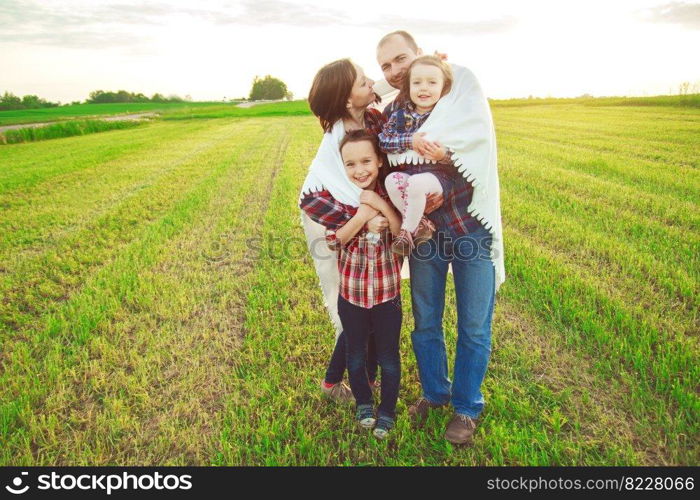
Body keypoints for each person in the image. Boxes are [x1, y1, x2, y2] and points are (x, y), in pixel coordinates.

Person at [376, 30, 505, 445]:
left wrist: (447, 152)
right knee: (426, 321)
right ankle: (434, 393)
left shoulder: (459, 87)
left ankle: (467, 408)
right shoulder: (397, 104)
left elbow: (477, 141)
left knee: (473, 325)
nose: (395, 71)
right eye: (386, 66)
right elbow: (386, 144)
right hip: (426, 234)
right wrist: (411, 141)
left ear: (421, 56)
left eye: (400, 60)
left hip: (470, 230)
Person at [299, 59, 386, 403]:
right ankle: (334, 383)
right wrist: (361, 218)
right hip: (333, 228)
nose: (371, 84)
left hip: (369, 221)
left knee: (376, 301)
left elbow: (388, 85)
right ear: (348, 100)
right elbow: (310, 198)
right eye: (363, 81)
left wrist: (423, 67)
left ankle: (367, 375)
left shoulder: (371, 119)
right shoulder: (336, 137)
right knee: (351, 307)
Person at [326, 129, 403, 439]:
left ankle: (387, 411)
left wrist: (381, 206)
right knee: (355, 355)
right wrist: (363, 215)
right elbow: (334, 241)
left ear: (379, 160)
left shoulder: (393, 195)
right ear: (342, 167)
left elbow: (402, 240)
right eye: (350, 164)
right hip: (353, 298)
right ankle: (364, 404)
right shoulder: (340, 199)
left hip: (387, 297)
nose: (359, 170)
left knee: (388, 357)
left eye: (366, 161)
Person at [378, 55, 459, 256]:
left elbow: (463, 152)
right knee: (392, 180)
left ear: (444, 86)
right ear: (408, 86)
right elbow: (384, 141)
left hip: (439, 177)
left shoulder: (448, 115)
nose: (424, 88)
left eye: (432, 83)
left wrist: (443, 154)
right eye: (417, 83)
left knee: (417, 184)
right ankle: (422, 223)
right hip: (411, 173)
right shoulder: (399, 115)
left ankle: (406, 233)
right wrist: (410, 140)